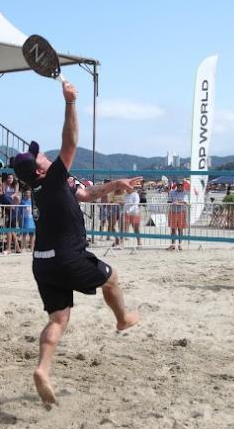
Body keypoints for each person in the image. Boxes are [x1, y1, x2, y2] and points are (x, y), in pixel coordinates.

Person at [10, 81, 139, 407]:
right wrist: (69, 103)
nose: (45, 154)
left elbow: (87, 194)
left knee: (58, 319)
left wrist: (115, 185)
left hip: (42, 262)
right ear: (39, 169)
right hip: (67, 257)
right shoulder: (52, 179)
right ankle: (122, 318)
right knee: (111, 277)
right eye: (40, 155)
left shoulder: (44, 188)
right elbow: (71, 141)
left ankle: (42, 370)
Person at [167, 180, 189, 250]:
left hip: (181, 212)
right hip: (173, 211)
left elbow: (186, 202)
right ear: (176, 186)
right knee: (173, 229)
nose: (179, 186)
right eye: (178, 185)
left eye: (181, 185)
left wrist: (178, 202)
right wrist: (173, 202)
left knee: (180, 229)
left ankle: (180, 245)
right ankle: (173, 244)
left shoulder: (185, 193)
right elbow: (169, 201)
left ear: (183, 186)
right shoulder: (172, 192)